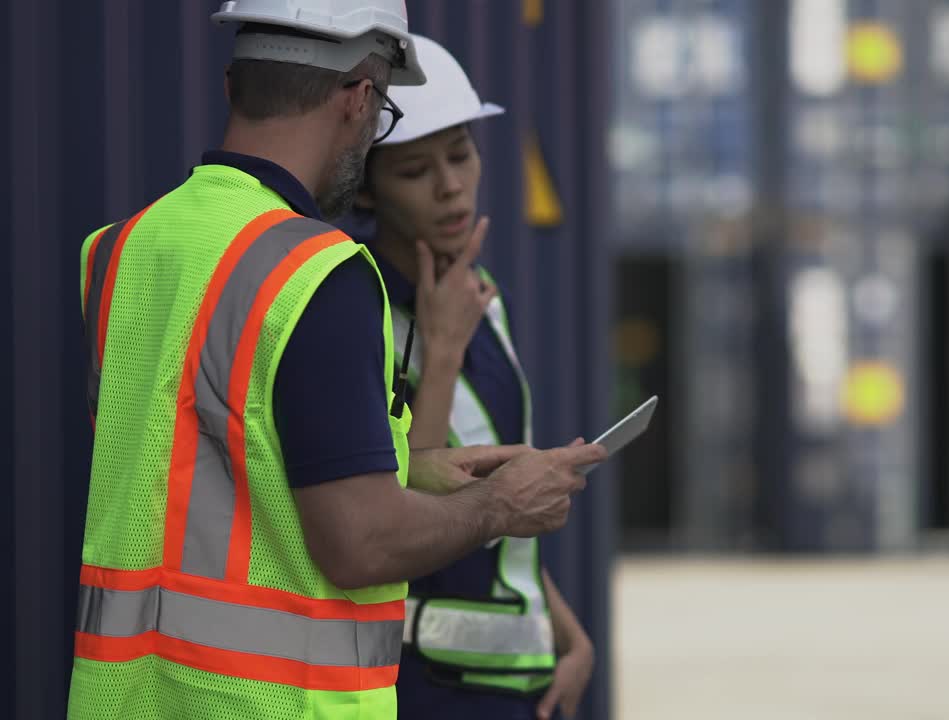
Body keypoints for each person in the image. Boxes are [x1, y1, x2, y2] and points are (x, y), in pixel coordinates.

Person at [69, 3, 605, 718]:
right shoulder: (318, 273)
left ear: (235, 87)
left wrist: (411, 470)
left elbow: (206, 471)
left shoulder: (117, 250)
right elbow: (361, 545)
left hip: (126, 697)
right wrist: (504, 502)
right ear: (359, 100)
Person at [344, 35, 594, 720]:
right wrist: (443, 353)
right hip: (421, 688)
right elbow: (392, 514)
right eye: (416, 170)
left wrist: (571, 641)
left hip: (519, 685)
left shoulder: (482, 295)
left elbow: (498, 514)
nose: (451, 185)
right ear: (367, 185)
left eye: (460, 155)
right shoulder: (354, 311)